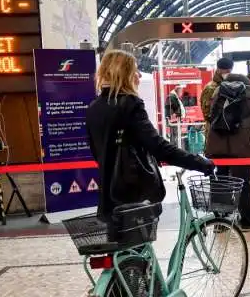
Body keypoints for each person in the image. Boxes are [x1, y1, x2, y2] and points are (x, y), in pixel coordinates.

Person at [87, 50, 214, 221]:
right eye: (135, 70)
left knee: (123, 246)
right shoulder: (130, 105)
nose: (139, 75)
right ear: (124, 74)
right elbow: (158, 146)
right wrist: (199, 163)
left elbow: (97, 152)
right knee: (137, 245)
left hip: (109, 197)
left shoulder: (94, 107)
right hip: (134, 197)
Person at [205, 72, 250, 231]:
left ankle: (220, 223)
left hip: (217, 143)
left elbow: (209, 115)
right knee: (242, 182)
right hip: (241, 146)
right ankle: (246, 221)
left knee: (220, 181)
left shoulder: (218, 91)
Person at [200, 58, 234, 136]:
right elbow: (207, 113)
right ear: (218, 70)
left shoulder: (229, 85)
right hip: (214, 130)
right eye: (226, 71)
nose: (229, 73)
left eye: (230, 71)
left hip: (227, 129)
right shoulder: (210, 88)